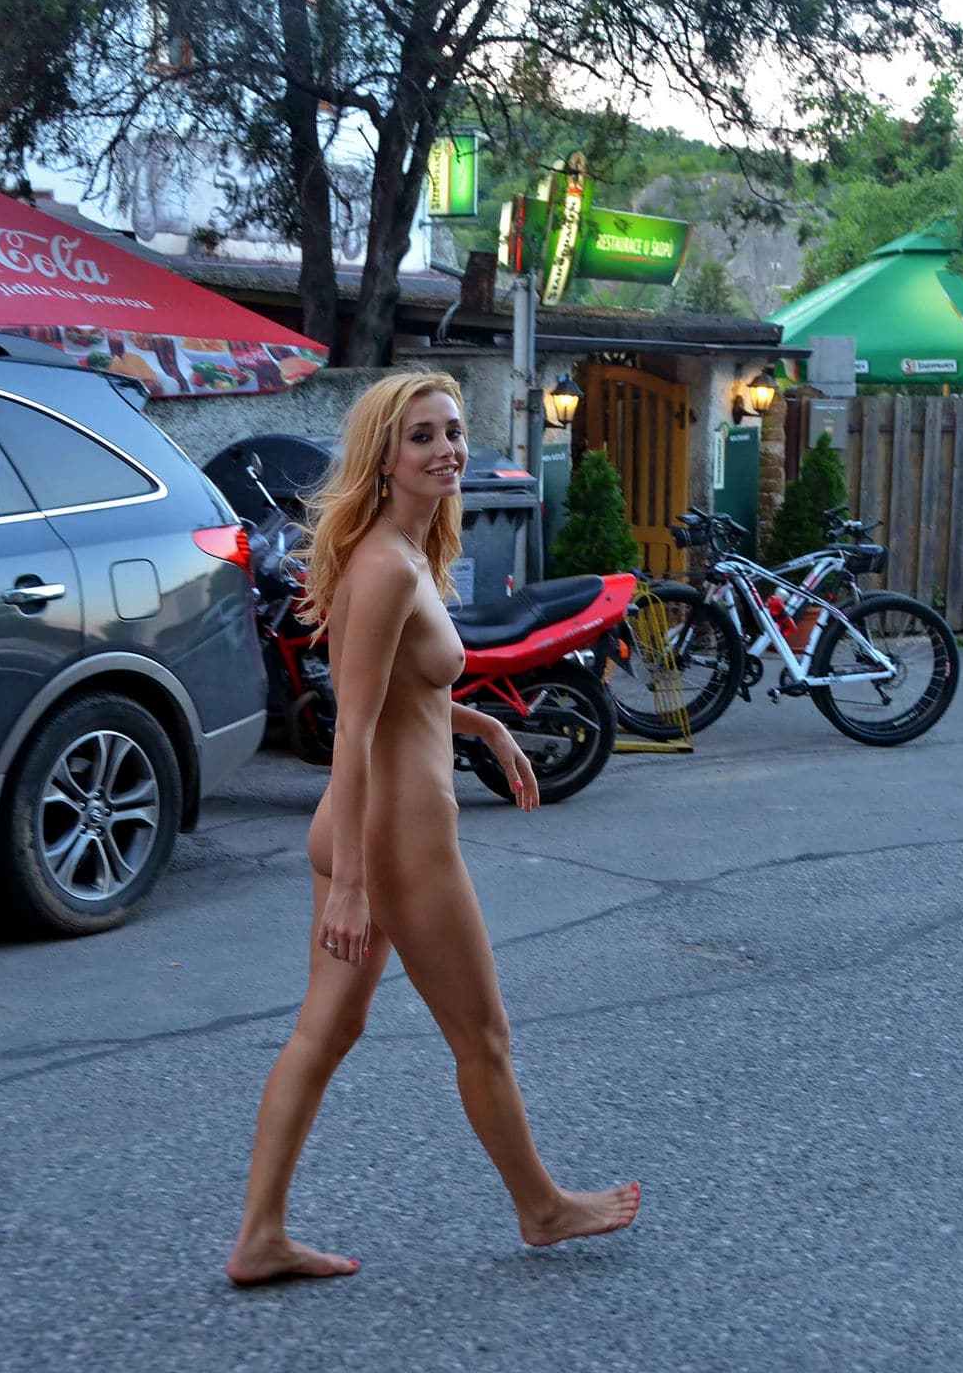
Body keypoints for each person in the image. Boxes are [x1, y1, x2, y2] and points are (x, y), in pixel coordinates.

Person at [225, 369, 641, 1285]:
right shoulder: (383, 566)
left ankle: (259, 1236)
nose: (446, 448)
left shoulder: (402, 555)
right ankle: (542, 1208)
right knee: (481, 1034)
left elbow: (399, 696)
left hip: (372, 835)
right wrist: (353, 884)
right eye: (422, 436)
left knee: (326, 1031)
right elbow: (353, 728)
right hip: (394, 844)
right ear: (383, 457)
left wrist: (482, 723)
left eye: (452, 431)